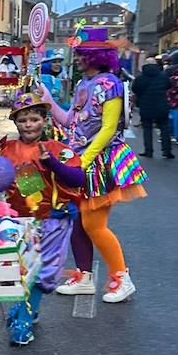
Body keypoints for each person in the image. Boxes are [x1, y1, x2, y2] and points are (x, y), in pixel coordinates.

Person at [47, 27, 147, 304]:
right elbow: (69, 121)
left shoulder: (110, 84)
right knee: (79, 222)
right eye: (78, 53)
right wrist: (47, 99)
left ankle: (122, 278)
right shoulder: (82, 85)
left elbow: (108, 128)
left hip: (101, 161)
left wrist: (86, 159)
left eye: (82, 54)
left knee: (94, 224)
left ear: (97, 56)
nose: (77, 58)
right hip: (81, 158)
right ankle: (84, 277)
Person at [0, 91, 85, 346]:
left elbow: (78, 179)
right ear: (15, 123)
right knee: (26, 271)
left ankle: (26, 308)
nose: (28, 125)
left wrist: (51, 162)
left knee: (46, 274)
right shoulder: (7, 150)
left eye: (34, 119)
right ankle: (24, 315)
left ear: (45, 120)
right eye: (23, 121)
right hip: (22, 221)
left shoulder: (58, 149)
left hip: (54, 220)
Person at [133, 59, 174, 159]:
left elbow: (135, 89)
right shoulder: (163, 76)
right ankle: (167, 151)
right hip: (161, 105)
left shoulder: (140, 77)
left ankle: (148, 151)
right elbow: (169, 86)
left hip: (146, 105)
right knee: (164, 128)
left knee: (147, 128)